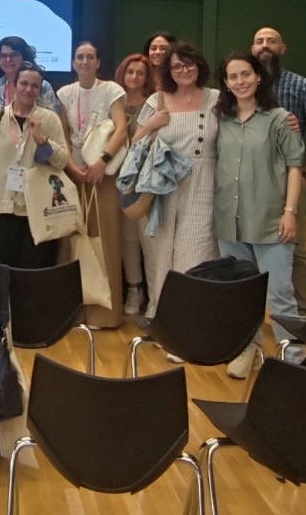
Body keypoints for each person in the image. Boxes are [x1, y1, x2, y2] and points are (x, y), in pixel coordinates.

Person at [215, 50, 306, 378]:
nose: (240, 81)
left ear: (257, 77)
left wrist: (290, 212)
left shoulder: (280, 119)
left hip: (270, 220)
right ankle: (248, 349)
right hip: (229, 221)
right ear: (225, 83)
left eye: (245, 74)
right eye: (233, 76)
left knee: (279, 294)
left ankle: (290, 360)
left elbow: (294, 166)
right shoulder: (220, 119)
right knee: (241, 294)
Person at [135, 41, 219, 316]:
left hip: (203, 185)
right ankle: (161, 317)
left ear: (199, 66)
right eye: (177, 66)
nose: (184, 70)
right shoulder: (156, 101)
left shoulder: (216, 99)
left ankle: (189, 318)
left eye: (189, 64)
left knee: (195, 253)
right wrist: (151, 124)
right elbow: (135, 144)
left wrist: (287, 120)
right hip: (162, 187)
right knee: (160, 256)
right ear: (168, 71)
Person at [251, 26, 306, 315]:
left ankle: (300, 312)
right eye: (259, 41)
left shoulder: (302, 86)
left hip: (290, 180)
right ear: (252, 49)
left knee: (294, 246)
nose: (265, 45)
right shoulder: (241, 86)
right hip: (248, 180)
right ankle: (253, 310)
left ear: (282, 49)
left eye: (271, 41)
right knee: (248, 245)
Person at [0, 61, 69, 268]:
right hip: (1, 201)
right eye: (24, 83)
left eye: (35, 86)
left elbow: (63, 160)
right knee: (4, 263)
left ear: (40, 90)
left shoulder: (49, 119)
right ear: (14, 85)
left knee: (33, 264)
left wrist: (42, 140)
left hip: (36, 205)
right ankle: (5, 292)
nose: (28, 89)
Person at [57, 41, 128, 320]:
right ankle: (72, 313)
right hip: (74, 174)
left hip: (103, 176)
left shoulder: (111, 90)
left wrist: (102, 161)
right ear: (73, 62)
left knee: (105, 240)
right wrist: (72, 166)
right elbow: (63, 134)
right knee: (72, 239)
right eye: (80, 57)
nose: (84, 62)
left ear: (98, 62)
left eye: (90, 57)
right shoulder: (65, 94)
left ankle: (104, 315)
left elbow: (121, 129)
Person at [114, 53, 152, 314]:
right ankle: (133, 289)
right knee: (127, 238)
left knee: (147, 237)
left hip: (145, 180)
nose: (135, 77)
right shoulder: (114, 101)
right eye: (130, 72)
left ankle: (155, 293)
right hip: (117, 179)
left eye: (140, 73)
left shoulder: (154, 104)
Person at [0, 36, 59, 126]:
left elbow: (53, 124)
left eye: (14, 55)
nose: (8, 60)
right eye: (3, 56)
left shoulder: (43, 86)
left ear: (25, 57)